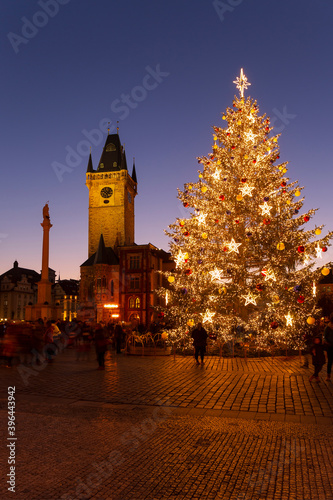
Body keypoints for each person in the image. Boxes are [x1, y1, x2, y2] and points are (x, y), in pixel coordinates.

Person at [324, 313, 333, 381]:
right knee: (330, 361)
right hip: (330, 346)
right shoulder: (328, 327)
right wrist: (327, 342)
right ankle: (328, 375)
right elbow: (325, 337)